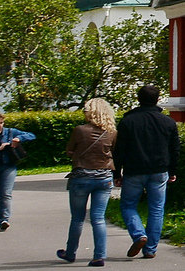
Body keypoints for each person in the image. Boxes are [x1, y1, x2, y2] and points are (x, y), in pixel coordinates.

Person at [112, 86, 179, 260]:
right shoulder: (168, 122)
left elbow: (119, 150)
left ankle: (138, 234)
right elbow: (174, 150)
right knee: (156, 209)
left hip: (134, 170)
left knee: (128, 206)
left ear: (138, 98)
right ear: (157, 99)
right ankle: (150, 249)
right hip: (159, 170)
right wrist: (172, 171)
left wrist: (116, 173)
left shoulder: (128, 121)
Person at [58, 97, 118, 265]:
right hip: (104, 177)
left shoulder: (80, 130)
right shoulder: (112, 132)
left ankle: (70, 253)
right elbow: (113, 151)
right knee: (98, 218)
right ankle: (99, 255)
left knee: (77, 218)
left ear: (90, 112)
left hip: (82, 176)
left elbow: (70, 150)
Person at [0, 111, 36, 229]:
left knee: (6, 193)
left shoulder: (10, 132)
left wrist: (19, 138)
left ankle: (5, 219)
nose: (0, 126)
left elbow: (32, 135)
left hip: (8, 166)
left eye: (2, 123)